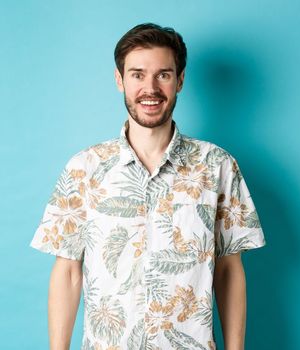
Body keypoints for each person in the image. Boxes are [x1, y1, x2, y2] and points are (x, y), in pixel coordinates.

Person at [29, 23, 266, 350]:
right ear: (119, 80)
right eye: (138, 75)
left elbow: (229, 270)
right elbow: (68, 271)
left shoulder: (218, 166)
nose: (150, 88)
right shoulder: (84, 168)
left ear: (180, 80)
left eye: (163, 75)